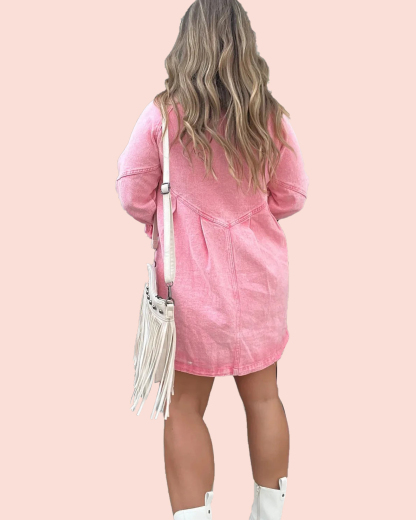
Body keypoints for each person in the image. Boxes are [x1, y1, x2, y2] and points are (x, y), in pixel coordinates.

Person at [115, 1, 309, 518]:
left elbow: (131, 191)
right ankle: (269, 513)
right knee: (264, 398)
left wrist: (171, 218)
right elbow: (292, 195)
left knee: (184, 406)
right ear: (246, 45)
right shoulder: (269, 117)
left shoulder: (162, 117)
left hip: (189, 287)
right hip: (261, 282)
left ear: (186, 45)